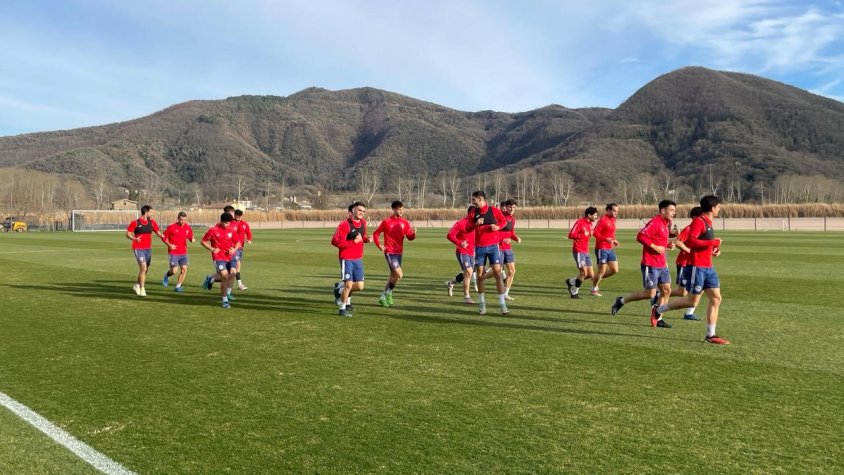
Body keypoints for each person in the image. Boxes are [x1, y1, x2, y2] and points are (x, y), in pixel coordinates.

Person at [650, 196, 730, 344]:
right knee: (691, 302)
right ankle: (658, 310)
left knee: (716, 298)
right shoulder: (699, 221)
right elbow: (691, 241)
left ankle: (710, 335)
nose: (719, 209)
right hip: (697, 267)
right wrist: (712, 242)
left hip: (709, 267)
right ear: (712, 208)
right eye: (718, 206)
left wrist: (714, 249)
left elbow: (703, 243)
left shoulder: (708, 222)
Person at [610, 200, 677, 328]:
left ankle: (659, 318)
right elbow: (641, 236)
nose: (674, 213)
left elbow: (658, 240)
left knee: (666, 290)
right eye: (672, 210)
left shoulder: (667, 222)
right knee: (650, 294)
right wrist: (655, 247)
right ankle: (621, 301)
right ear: (663, 210)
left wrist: (667, 245)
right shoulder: (656, 222)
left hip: (662, 263)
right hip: (650, 264)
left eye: (674, 210)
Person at [651, 206, 703, 320]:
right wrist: (689, 251)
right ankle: (659, 296)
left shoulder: (701, 229)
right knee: (682, 292)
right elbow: (678, 242)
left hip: (696, 264)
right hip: (684, 263)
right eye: (702, 216)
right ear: (695, 217)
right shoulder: (689, 228)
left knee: (701, 286)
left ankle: (689, 313)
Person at [468, 191, 509, 315]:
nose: (472, 202)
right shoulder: (472, 212)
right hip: (479, 248)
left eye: (474, 200)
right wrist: (475, 224)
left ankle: (502, 304)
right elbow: (467, 228)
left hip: (493, 247)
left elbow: (504, 221)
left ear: (480, 199)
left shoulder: (494, 210)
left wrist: (497, 227)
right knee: (480, 276)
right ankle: (482, 304)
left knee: (498, 273)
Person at [372, 200, 417, 307]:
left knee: (393, 277)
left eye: (402, 209)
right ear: (393, 209)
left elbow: (409, 237)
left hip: (399, 252)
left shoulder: (405, 222)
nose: (401, 211)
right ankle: (388, 293)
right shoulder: (386, 222)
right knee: (399, 274)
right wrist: (379, 245)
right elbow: (376, 234)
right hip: (390, 252)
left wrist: (413, 234)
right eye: (399, 209)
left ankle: (383, 297)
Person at [330, 202, 371, 317]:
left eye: (363, 211)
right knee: (348, 285)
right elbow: (335, 242)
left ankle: (339, 290)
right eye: (359, 210)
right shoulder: (345, 225)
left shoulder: (363, 223)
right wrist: (354, 242)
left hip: (358, 259)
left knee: (360, 286)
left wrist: (367, 239)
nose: (362, 213)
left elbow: (362, 237)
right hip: (346, 258)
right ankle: (342, 309)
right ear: (353, 211)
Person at [201, 213, 240, 308]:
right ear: (221, 221)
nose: (227, 225)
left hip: (230, 256)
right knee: (224, 276)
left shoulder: (232, 230)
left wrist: (234, 249)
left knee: (232, 274)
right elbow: (203, 241)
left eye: (229, 223)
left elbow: (238, 242)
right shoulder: (213, 230)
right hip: (218, 256)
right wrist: (212, 249)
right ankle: (224, 300)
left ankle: (211, 279)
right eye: (225, 223)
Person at [125, 204, 165, 297]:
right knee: (143, 268)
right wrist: (135, 238)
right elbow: (128, 234)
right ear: (146, 212)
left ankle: (137, 285)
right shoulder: (135, 223)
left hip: (148, 249)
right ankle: (142, 288)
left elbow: (159, 233)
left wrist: (166, 237)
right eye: (151, 212)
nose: (152, 214)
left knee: (145, 269)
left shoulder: (152, 223)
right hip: (138, 248)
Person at [565, 207, 599, 299]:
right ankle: (574, 292)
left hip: (586, 251)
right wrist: (582, 235)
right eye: (595, 215)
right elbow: (570, 235)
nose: (596, 217)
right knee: (583, 273)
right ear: (589, 215)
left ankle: (571, 281)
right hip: (579, 251)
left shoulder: (590, 224)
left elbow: (592, 233)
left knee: (590, 275)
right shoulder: (580, 222)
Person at [445, 207, 477, 304]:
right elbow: (449, 235)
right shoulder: (461, 223)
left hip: (472, 251)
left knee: (468, 273)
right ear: (471, 213)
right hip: (462, 251)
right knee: (469, 271)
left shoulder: (478, 224)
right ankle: (467, 297)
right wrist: (460, 243)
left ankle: (451, 283)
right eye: (476, 213)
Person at [590, 203, 620, 297]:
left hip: (610, 248)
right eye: (614, 211)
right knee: (602, 270)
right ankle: (594, 289)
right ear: (608, 210)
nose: (616, 213)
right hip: (601, 248)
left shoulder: (613, 220)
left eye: (617, 211)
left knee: (615, 270)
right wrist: (604, 239)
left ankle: (595, 278)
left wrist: (614, 240)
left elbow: (610, 233)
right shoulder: (603, 220)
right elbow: (595, 233)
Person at [161, 211, 195, 293]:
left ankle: (178, 286)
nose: (183, 221)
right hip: (173, 253)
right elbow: (163, 236)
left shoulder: (187, 228)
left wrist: (192, 239)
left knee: (184, 269)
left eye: (184, 220)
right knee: (174, 271)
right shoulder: (172, 227)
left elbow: (191, 237)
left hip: (183, 253)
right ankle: (166, 275)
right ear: (178, 219)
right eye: (181, 219)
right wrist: (169, 245)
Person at [498, 199, 521, 300]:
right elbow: (493, 232)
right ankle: (482, 278)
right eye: (510, 207)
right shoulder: (499, 217)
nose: (512, 209)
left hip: (507, 248)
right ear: (506, 207)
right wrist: (502, 240)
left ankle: (505, 293)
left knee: (512, 271)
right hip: (498, 248)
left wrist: (516, 238)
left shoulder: (512, 219)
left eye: (514, 207)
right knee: (496, 272)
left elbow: (511, 233)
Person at [232, 209, 253, 291]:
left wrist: (249, 239)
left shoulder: (244, 224)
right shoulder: (230, 223)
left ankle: (212, 279)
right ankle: (240, 284)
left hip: (240, 248)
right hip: (232, 248)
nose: (238, 218)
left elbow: (249, 232)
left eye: (239, 217)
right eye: (237, 216)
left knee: (234, 268)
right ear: (234, 215)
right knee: (237, 264)